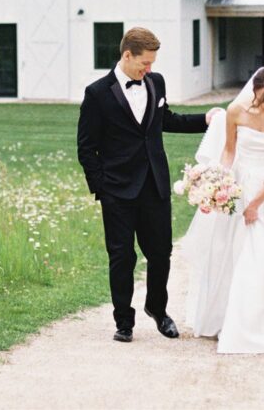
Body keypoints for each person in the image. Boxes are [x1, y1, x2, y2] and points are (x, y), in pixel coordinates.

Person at [77, 26, 222, 343]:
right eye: (145, 63)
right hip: (117, 190)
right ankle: (123, 322)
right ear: (127, 55)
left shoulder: (156, 83)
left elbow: (166, 119)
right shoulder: (97, 93)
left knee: (161, 254)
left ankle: (158, 309)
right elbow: (86, 149)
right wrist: (102, 188)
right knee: (122, 257)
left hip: (154, 185)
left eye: (153, 63)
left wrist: (205, 120)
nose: (149, 69)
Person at [184, 66, 264, 353]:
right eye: (261, 99)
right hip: (238, 186)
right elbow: (229, 151)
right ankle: (228, 319)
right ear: (254, 89)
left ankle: (260, 325)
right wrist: (218, 181)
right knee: (230, 252)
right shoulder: (237, 110)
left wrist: (256, 204)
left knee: (263, 255)